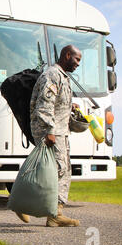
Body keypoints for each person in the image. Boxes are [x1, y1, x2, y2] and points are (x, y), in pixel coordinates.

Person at [20, 45, 81, 227]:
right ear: (67, 55)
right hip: (52, 131)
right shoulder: (52, 75)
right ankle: (33, 206)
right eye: (77, 59)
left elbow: (56, 102)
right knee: (57, 169)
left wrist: (71, 107)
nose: (78, 64)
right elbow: (44, 105)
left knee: (54, 170)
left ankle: (53, 212)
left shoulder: (62, 77)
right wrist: (49, 131)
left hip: (60, 131)